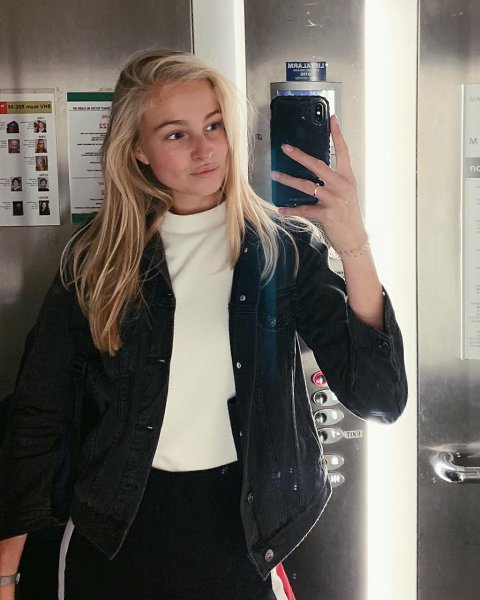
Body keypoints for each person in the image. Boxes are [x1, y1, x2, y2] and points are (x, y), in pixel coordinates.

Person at [0, 49, 407, 600]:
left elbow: (380, 398)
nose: (205, 148)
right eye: (175, 134)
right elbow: (36, 415)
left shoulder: (283, 252)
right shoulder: (96, 261)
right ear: (137, 150)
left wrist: (352, 239)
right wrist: (6, 572)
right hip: (115, 540)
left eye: (214, 125)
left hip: (244, 538)